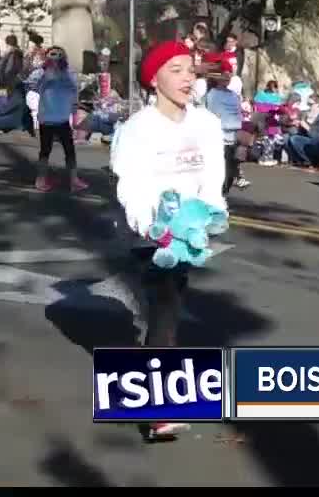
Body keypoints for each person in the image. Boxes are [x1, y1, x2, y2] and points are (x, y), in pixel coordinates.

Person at [113, 40, 227, 442]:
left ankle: (153, 392)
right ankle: (157, 410)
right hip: (152, 236)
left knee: (169, 311)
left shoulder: (206, 125)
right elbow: (131, 183)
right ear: (155, 79)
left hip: (189, 236)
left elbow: (212, 178)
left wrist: (210, 215)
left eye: (190, 70)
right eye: (175, 70)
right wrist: (151, 226)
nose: (186, 78)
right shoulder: (138, 128)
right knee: (164, 310)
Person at [33, 46, 87, 193]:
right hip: (50, 118)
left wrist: (74, 111)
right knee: (50, 150)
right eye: (53, 54)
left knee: (65, 150)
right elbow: (36, 87)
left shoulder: (65, 74)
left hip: (58, 118)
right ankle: (43, 179)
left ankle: (72, 180)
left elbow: (73, 92)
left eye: (58, 55)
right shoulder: (44, 74)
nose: (55, 57)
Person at [203, 71, 244, 197]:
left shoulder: (233, 95)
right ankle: (218, 192)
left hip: (234, 135)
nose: (227, 77)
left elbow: (238, 113)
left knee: (232, 167)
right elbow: (213, 114)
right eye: (223, 74)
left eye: (229, 75)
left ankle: (225, 189)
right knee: (221, 167)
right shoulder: (212, 94)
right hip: (220, 135)